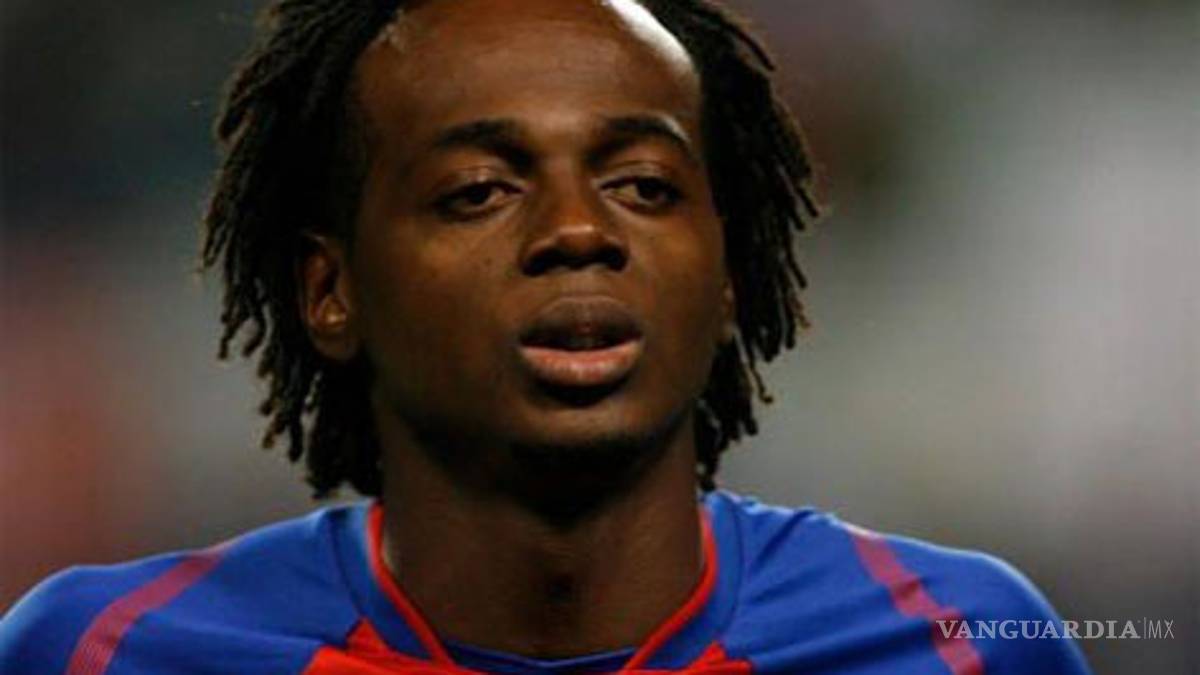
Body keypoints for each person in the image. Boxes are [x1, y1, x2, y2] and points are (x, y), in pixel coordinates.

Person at [1, 0, 1093, 672]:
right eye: (479, 190)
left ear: (726, 277)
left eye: (643, 185)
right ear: (330, 290)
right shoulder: (100, 653)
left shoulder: (963, 640)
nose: (579, 231)